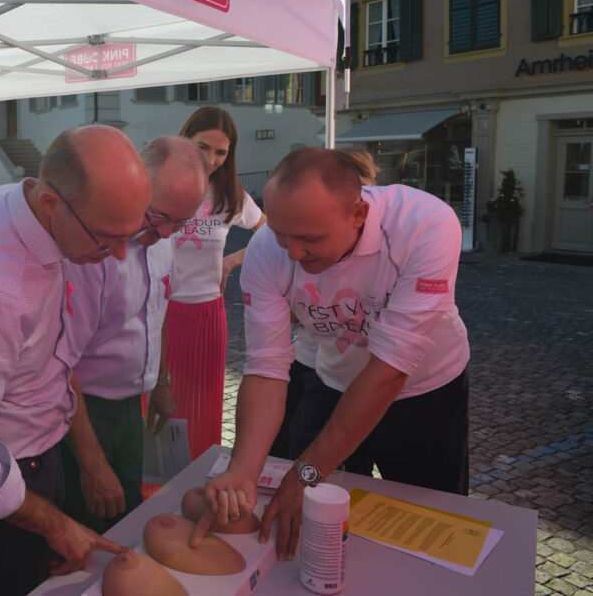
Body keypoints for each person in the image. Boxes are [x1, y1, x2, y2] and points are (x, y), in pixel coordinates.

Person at [194, 146, 470, 563]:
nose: (293, 254)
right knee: (316, 519)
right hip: (334, 381)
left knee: (431, 525)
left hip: (425, 392)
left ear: (358, 215)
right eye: (282, 234)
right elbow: (267, 368)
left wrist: (305, 473)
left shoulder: (425, 223)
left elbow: (391, 369)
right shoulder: (268, 250)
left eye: (310, 239)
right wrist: (242, 471)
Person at [0, 124, 150, 595]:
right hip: (6, 477)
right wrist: (58, 524)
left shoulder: (17, 199)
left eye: (132, 234)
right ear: (51, 204)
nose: (120, 255)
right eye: (107, 239)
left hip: (36, 455)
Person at [59, 136, 208, 534]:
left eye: (181, 222)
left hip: (129, 403)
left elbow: (156, 313)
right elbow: (59, 363)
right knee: (88, 521)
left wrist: (161, 382)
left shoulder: (162, 240)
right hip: (80, 411)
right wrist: (91, 462)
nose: (166, 232)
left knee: (125, 513)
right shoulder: (93, 250)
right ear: (136, 184)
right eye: (158, 215)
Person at [166, 106, 267, 460]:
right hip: (162, 315)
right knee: (163, 410)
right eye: (202, 147)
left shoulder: (229, 194)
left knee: (204, 405)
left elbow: (271, 233)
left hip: (209, 316)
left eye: (221, 152)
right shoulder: (161, 186)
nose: (210, 159)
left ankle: (199, 475)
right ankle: (157, 485)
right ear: (185, 141)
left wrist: (233, 260)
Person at [269, 147, 380, 459]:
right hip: (316, 365)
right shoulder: (282, 251)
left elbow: (397, 358)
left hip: (379, 380)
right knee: (293, 446)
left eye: (312, 238)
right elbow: (265, 357)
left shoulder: (391, 246)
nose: (295, 253)